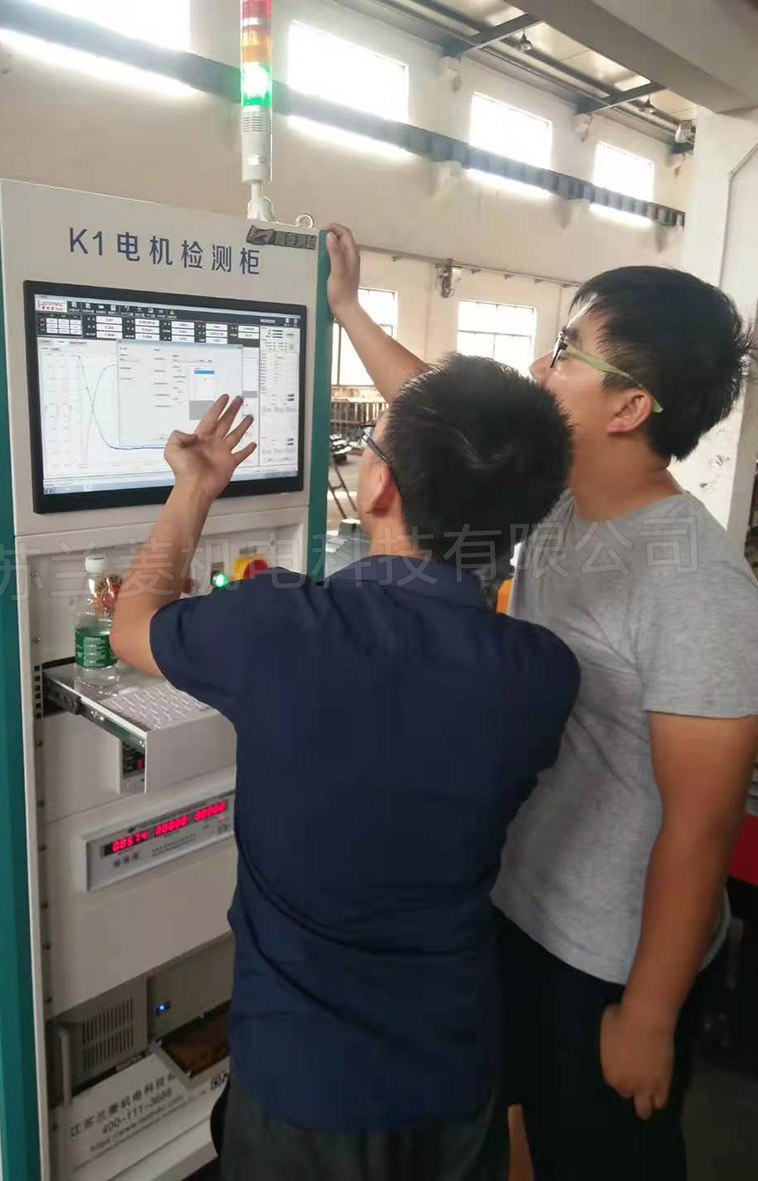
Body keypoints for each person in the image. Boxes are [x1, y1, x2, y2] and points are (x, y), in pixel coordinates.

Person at [324, 222, 758, 1181]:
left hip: (609, 957)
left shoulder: (698, 587)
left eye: (567, 351)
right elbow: (442, 413)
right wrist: (348, 308)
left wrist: (649, 1012)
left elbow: (702, 822)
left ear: (630, 406)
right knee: (518, 1128)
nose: (538, 365)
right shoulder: (562, 495)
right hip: (521, 899)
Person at [111, 357, 579, 1180]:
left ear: (380, 486)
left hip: (305, 1085)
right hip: (456, 1072)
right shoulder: (542, 672)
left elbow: (132, 621)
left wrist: (194, 488)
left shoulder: (280, 630)